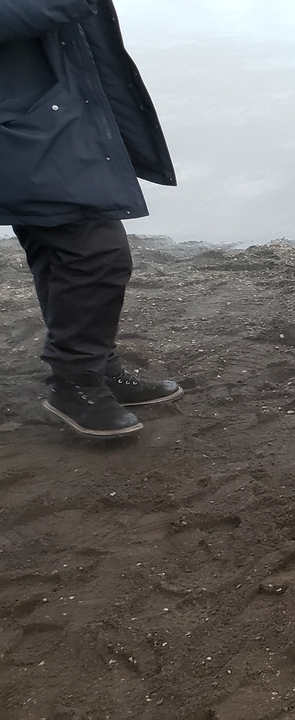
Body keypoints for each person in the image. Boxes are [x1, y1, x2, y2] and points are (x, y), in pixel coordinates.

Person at [1, 0, 182, 438]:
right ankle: (74, 384)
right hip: (28, 117)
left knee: (58, 247)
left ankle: (95, 367)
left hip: (51, 111)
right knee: (97, 254)